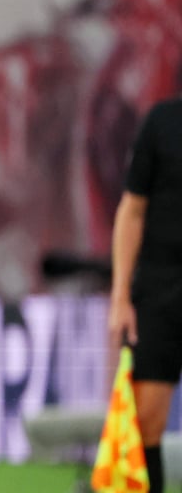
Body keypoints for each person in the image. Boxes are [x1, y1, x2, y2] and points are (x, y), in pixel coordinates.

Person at [108, 98, 182, 493]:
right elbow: (132, 210)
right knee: (145, 420)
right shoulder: (162, 121)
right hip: (161, 288)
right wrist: (120, 296)